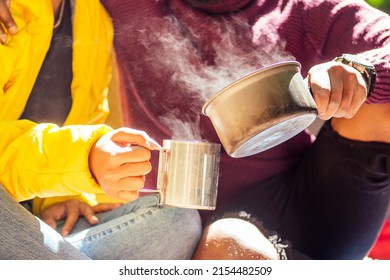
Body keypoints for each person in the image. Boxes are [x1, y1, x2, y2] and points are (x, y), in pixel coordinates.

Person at [94, 0, 389, 260]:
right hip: (192, 222)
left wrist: (361, 71)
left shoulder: (300, 7)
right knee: (229, 242)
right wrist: (73, 178)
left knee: (381, 105)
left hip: (304, 203)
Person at [0, 0, 201, 259]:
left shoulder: (93, 17)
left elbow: (82, 121)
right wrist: (85, 156)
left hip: (27, 218)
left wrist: (61, 197)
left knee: (177, 221)